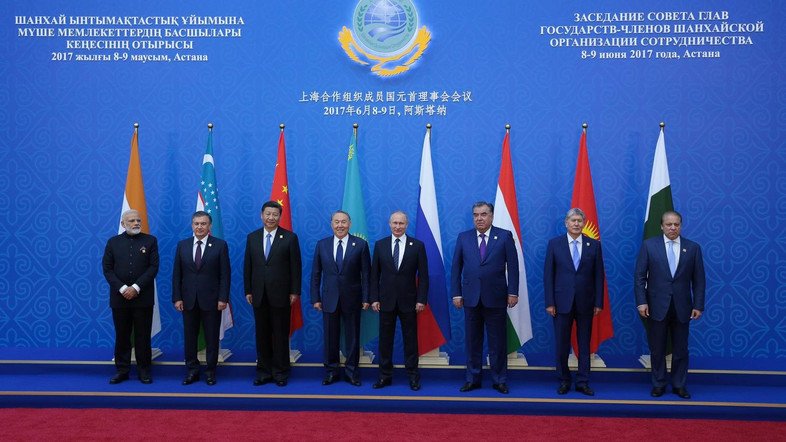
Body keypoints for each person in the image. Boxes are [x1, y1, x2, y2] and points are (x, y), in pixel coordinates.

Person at [634, 210, 705, 399]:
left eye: (676, 224)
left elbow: (699, 280)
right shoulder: (649, 246)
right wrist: (641, 302)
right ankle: (658, 383)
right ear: (661, 226)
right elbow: (640, 277)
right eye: (669, 224)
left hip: (683, 307)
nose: (673, 228)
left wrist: (698, 305)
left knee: (681, 349)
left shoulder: (693, 248)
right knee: (657, 348)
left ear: (681, 226)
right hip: (656, 305)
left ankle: (679, 385)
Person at [451, 202, 518, 394]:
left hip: (496, 297)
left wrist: (513, 292)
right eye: (476, 215)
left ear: (491, 216)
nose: (479, 218)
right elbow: (456, 267)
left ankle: (499, 379)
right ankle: (473, 379)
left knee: (498, 342)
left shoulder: (504, 236)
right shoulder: (463, 237)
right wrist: (456, 293)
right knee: (473, 341)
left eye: (483, 214)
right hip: (470, 298)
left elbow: (513, 267)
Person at [544, 208, 604, 396]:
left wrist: (598, 302)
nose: (576, 224)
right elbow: (548, 275)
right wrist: (550, 302)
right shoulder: (555, 244)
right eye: (573, 220)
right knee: (562, 344)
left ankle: (583, 381)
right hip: (561, 302)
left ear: (584, 223)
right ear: (566, 223)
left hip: (586, 302)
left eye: (579, 220)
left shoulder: (594, 245)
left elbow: (599, 276)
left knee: (584, 344)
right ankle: (564, 380)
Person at [244, 201, 302, 387]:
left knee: (280, 335)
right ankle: (263, 372)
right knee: (261, 335)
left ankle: (280, 372)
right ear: (261, 215)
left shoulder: (290, 238)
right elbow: (248, 266)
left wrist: (294, 291)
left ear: (280, 216)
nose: (271, 217)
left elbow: (296, 267)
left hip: (282, 294)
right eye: (268, 214)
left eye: (275, 214)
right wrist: (248, 290)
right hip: (258, 294)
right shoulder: (252, 237)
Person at [370, 211, 429, 391]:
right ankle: (384, 376)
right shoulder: (380, 245)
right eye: (394, 223)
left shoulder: (417, 246)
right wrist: (374, 298)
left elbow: (424, 276)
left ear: (406, 225)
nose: (397, 226)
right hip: (385, 301)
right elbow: (374, 275)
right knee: (385, 341)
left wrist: (421, 299)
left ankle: (413, 376)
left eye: (401, 223)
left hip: (409, 302)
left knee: (410, 341)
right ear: (389, 224)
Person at [310, 210, 370, 386]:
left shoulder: (360, 245)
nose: (340, 225)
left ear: (350, 224)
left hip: (353, 299)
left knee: (352, 338)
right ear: (331, 224)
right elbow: (315, 274)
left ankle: (352, 373)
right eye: (336, 222)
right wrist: (315, 298)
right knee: (330, 338)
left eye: (344, 222)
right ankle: (331, 371)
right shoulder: (322, 245)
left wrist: (366, 298)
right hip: (329, 299)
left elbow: (366, 274)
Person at [172, 211, 230, 386]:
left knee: (212, 338)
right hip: (188, 300)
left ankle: (211, 371)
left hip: (212, 300)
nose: (199, 227)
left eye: (203, 224)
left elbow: (225, 275)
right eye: (196, 223)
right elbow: (177, 274)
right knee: (190, 338)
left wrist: (223, 298)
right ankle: (192, 370)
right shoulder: (182, 245)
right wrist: (177, 298)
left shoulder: (220, 245)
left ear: (209, 226)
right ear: (192, 225)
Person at [102, 209, 159, 385]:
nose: (136, 223)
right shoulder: (113, 242)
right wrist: (122, 288)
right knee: (122, 335)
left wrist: (135, 287)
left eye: (138, 220)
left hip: (143, 297)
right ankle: (122, 370)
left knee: (143, 336)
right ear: (123, 224)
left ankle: (144, 371)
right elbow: (107, 269)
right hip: (119, 298)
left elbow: (153, 267)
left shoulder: (150, 241)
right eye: (132, 221)